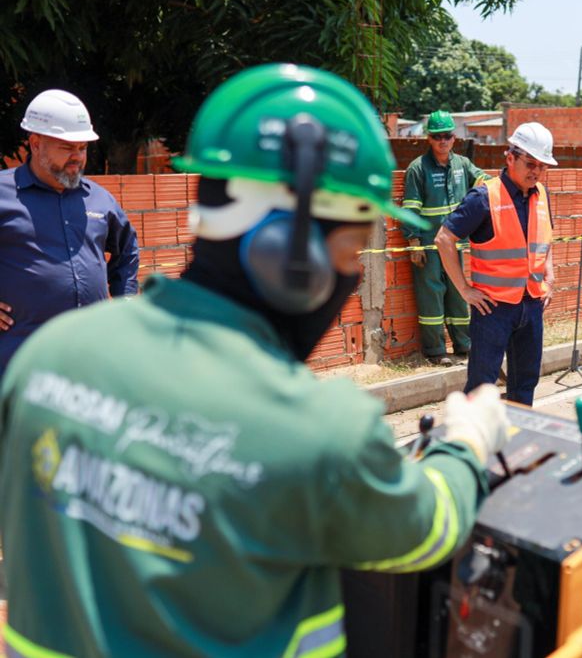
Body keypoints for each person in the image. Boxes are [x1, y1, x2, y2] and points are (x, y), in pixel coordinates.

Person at [0, 64, 512, 656]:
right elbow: (429, 529)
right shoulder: (320, 432)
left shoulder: (47, 360)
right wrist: (468, 439)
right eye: (353, 245)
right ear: (296, 258)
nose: (351, 271)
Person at [0, 89, 139, 377]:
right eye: (66, 148)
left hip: (89, 364)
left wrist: (125, 302)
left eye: (83, 148)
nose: (77, 157)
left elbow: (127, 250)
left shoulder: (100, 200)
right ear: (35, 143)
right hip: (19, 364)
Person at [435, 122, 557, 407]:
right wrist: (465, 290)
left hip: (532, 304)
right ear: (510, 157)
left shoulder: (542, 195)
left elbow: (545, 238)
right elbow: (444, 239)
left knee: (526, 380)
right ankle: (470, 443)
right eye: (530, 163)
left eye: (542, 166)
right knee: (481, 384)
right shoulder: (484, 197)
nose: (536, 172)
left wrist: (549, 277)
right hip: (493, 308)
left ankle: (515, 435)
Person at [401, 110, 489, 366]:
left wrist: (503, 186)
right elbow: (410, 208)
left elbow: (484, 180)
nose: (443, 141)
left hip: (456, 245)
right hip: (429, 246)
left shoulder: (462, 165)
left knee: (459, 295)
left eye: (447, 136)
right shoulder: (418, 169)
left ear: (454, 138)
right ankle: (436, 350)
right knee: (431, 296)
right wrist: (413, 242)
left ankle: (464, 345)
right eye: (438, 136)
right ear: (429, 138)